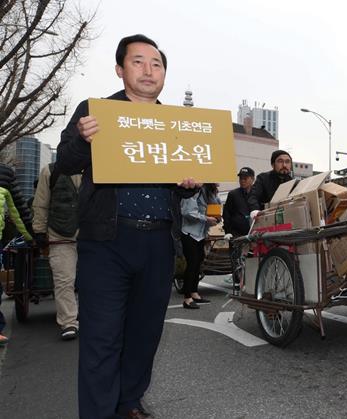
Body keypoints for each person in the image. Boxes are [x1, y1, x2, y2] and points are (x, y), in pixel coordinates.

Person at [54, 34, 199, 419]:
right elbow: (64, 163)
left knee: (145, 335)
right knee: (101, 337)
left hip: (159, 242)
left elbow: (182, 188)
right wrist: (85, 140)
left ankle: (128, 401)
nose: (148, 70)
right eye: (138, 62)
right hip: (107, 241)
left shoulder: (178, 124)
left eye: (156, 63)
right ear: (120, 70)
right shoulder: (96, 111)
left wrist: (191, 184)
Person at [32, 163, 81, 341]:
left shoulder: (98, 165)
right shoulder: (49, 171)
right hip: (59, 234)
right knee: (64, 280)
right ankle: (68, 322)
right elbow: (41, 203)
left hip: (93, 234)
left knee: (96, 279)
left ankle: (93, 316)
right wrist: (39, 230)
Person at [0, 163, 34, 346]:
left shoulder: (5, 174)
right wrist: (30, 235)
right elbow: (18, 211)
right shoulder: (5, 173)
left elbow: (17, 209)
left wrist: (29, 235)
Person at [180, 183, 221, 309]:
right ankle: (187, 297)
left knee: (198, 263)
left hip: (200, 234)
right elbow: (187, 212)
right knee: (192, 264)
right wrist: (206, 218)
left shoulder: (210, 190)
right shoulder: (194, 189)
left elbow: (214, 207)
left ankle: (194, 292)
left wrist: (216, 217)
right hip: (189, 233)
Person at [248, 150, 293, 216]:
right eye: (280, 161)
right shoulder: (263, 178)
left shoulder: (292, 182)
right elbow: (253, 196)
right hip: (266, 218)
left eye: (287, 162)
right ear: (272, 164)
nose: (284, 165)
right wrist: (255, 211)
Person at [223, 167, 254, 237]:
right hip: (236, 235)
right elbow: (226, 214)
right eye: (240, 178)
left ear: (252, 179)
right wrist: (228, 231)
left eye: (245, 178)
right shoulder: (233, 194)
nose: (242, 180)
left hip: (254, 234)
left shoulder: (257, 194)